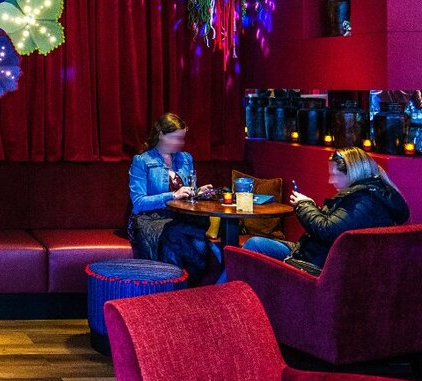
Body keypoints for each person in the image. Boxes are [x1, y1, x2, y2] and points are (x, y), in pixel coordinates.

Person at [242, 146, 410, 268]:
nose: (330, 181)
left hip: (316, 264)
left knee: (253, 247)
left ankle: (229, 302)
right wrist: (310, 205)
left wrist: (303, 205)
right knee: (255, 244)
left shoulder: (364, 201)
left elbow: (326, 230)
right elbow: (333, 226)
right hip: (315, 254)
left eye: (333, 175)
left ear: (352, 173)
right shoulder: (367, 196)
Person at [128, 113, 215, 285]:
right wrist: (172, 195)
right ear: (161, 134)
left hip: (181, 219)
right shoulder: (142, 161)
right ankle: (194, 287)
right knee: (183, 242)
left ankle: (175, 297)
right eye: (175, 138)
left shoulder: (185, 158)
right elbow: (138, 203)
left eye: (182, 138)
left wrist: (197, 192)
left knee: (188, 245)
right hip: (151, 220)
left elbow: (187, 192)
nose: (180, 143)